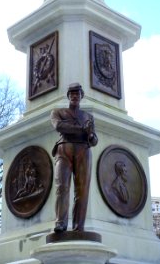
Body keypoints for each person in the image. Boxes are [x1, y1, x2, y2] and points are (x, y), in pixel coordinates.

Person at [50, 83, 98, 232]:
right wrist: (81, 129)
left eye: (77, 93)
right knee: (62, 187)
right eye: (72, 93)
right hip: (64, 149)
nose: (75, 96)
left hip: (84, 150)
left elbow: (94, 140)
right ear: (68, 96)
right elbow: (59, 126)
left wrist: (90, 134)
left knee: (82, 191)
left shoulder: (88, 116)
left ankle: (79, 227)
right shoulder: (58, 112)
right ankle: (60, 223)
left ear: (81, 96)